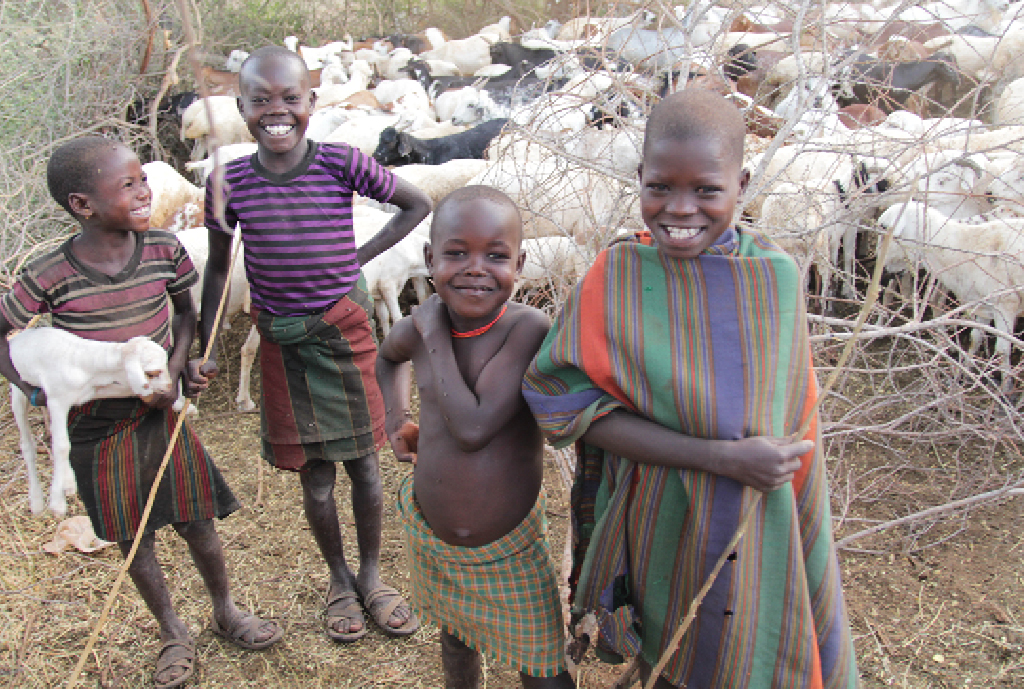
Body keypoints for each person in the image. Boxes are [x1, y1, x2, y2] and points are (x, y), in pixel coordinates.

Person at [522, 89, 858, 689]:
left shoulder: (772, 281)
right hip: (656, 511)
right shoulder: (617, 277)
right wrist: (719, 456)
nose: (681, 209)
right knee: (669, 644)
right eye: (660, 188)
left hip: (755, 516)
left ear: (743, 184)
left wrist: (759, 463)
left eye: (706, 190)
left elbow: (793, 422)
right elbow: (560, 401)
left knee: (743, 644)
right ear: (639, 180)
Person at [0, 137, 282, 689]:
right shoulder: (49, 272)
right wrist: (32, 390)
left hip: (160, 413)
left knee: (197, 519)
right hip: (95, 425)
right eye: (128, 183)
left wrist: (178, 370)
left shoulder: (163, 249)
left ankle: (225, 609)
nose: (144, 190)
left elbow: (184, 313)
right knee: (133, 535)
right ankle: (173, 631)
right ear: (83, 204)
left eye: (143, 180)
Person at [196, 46, 430, 643]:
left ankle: (374, 576)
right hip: (284, 341)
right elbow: (220, 269)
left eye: (290, 99)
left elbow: (416, 204)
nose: (277, 111)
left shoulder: (340, 162)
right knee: (317, 476)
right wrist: (204, 346)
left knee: (366, 467)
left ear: (311, 102)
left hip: (343, 332)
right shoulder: (228, 181)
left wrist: (357, 258)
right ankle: (338, 579)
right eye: (260, 101)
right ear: (240, 108)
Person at [376, 185, 574, 688]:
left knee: (545, 670)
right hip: (435, 540)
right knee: (455, 639)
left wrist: (433, 332)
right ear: (429, 258)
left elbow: (473, 429)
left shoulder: (526, 328)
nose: (475, 267)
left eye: (496, 255)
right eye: (456, 253)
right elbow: (387, 356)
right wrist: (396, 418)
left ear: (520, 263)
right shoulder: (420, 327)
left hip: (509, 550)